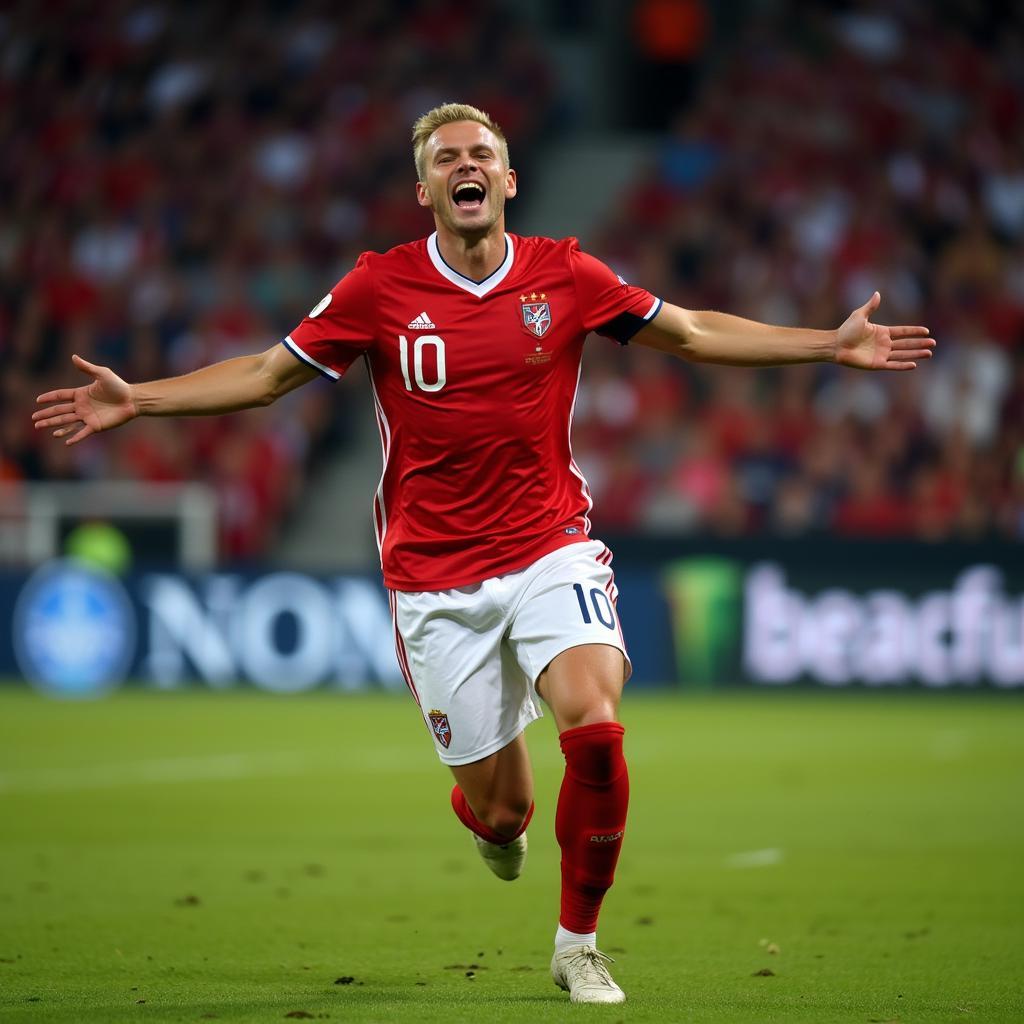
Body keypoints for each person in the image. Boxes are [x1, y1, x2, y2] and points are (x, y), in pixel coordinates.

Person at [33, 102, 935, 1004]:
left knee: (596, 722)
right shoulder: (377, 289)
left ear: (507, 180)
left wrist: (827, 343)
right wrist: (142, 399)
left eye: (481, 155)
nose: (465, 166)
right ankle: (492, 822)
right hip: (433, 578)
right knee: (505, 814)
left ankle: (577, 944)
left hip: (551, 545)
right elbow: (270, 375)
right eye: (446, 158)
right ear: (424, 189)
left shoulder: (564, 273)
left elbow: (692, 331)